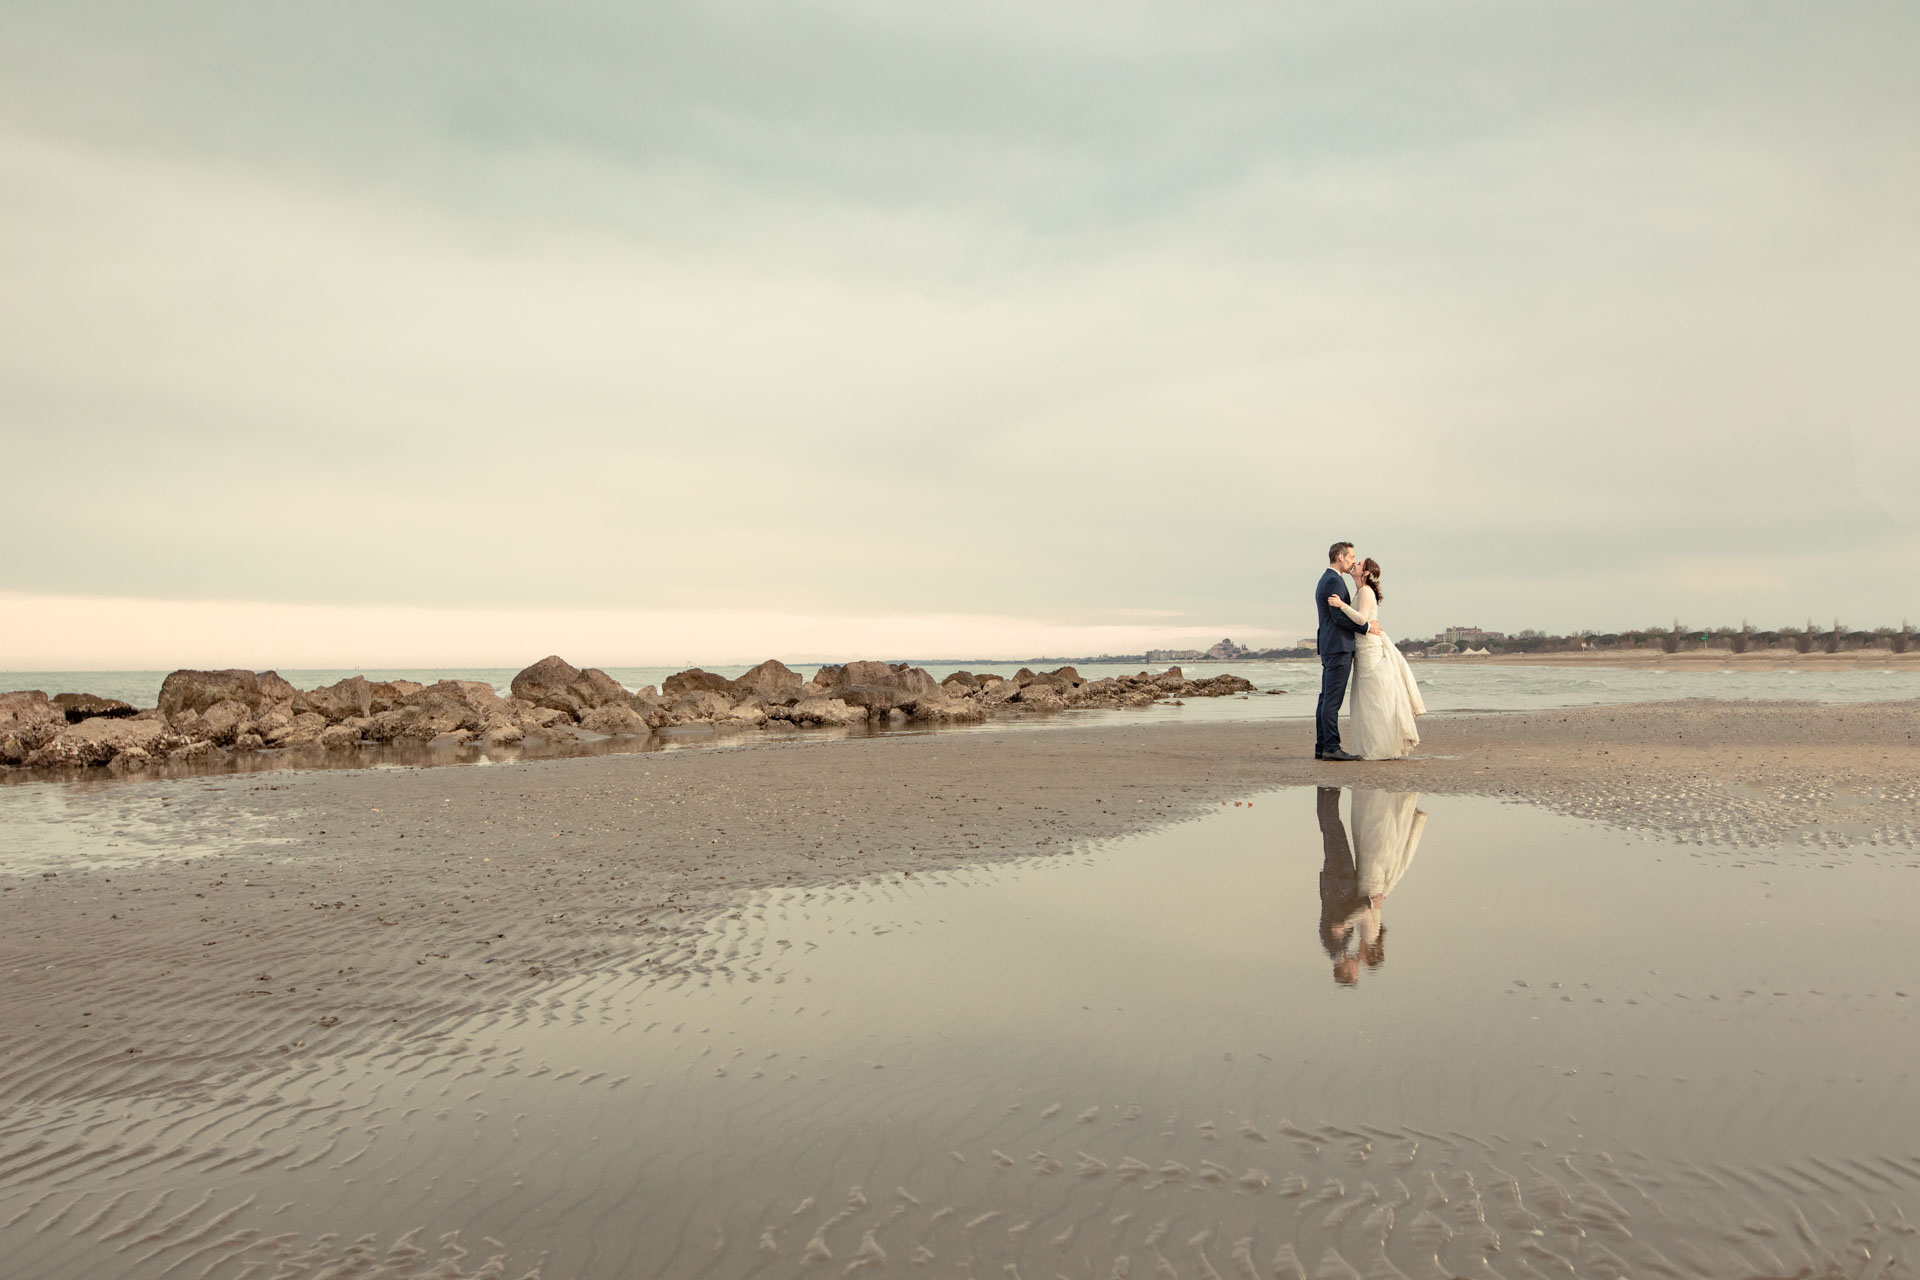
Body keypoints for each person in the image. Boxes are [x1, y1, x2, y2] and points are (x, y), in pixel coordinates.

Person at [1326, 557, 1427, 760]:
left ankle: (1381, 747)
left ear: (1365, 573)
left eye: (1360, 563)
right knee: (1368, 698)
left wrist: (1341, 605)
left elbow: (1362, 619)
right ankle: (1374, 744)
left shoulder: (1365, 591)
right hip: (1363, 648)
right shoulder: (1360, 591)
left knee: (1374, 698)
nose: (1355, 564)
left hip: (1369, 649)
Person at [1314, 542, 1379, 761]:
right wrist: (1367, 627)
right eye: (1351, 556)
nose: (1353, 560)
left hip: (1331, 645)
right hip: (1338, 645)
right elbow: (1338, 617)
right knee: (1332, 699)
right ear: (1340, 557)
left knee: (1326, 698)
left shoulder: (1328, 579)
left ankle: (1322, 746)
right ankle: (1331, 747)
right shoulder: (1333, 580)